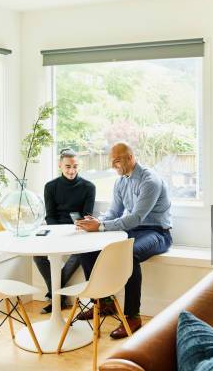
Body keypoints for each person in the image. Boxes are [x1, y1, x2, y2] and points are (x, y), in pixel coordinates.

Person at [76, 142, 172, 339]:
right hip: (132, 231)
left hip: (157, 232)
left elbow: (136, 217)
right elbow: (114, 213)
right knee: (88, 249)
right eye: (112, 161)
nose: (113, 166)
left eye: (117, 161)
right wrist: (96, 222)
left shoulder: (149, 181)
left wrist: (101, 227)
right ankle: (104, 303)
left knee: (130, 254)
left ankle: (133, 317)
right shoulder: (120, 182)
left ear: (130, 158)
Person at [34, 148, 96, 314]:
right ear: (60, 165)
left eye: (75, 166)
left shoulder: (89, 187)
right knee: (37, 255)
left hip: (78, 230)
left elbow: (87, 216)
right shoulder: (50, 187)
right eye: (68, 166)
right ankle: (59, 297)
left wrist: (76, 229)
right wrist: (58, 234)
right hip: (55, 230)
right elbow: (50, 215)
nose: (72, 170)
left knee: (81, 253)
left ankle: (55, 297)